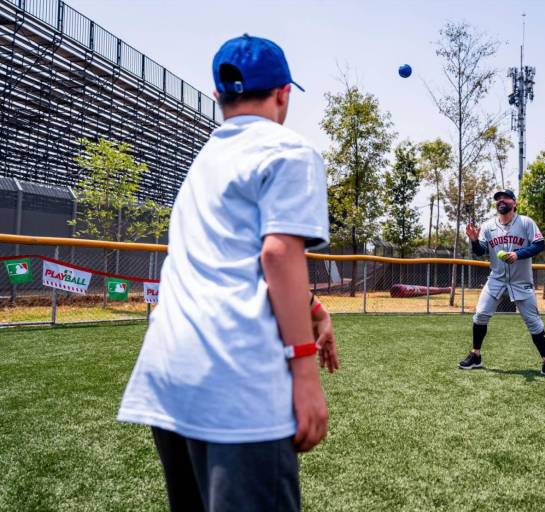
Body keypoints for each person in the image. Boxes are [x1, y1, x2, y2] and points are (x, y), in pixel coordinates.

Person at [118, 34, 336, 511]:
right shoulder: (288, 150)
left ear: (218, 96)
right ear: (284, 93)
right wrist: (304, 370)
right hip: (234, 378)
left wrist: (315, 307)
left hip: (169, 377)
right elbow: (277, 254)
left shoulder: (203, 162)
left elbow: (229, 260)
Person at [458, 189, 545, 379]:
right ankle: (476, 355)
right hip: (496, 279)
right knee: (480, 315)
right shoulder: (489, 226)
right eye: (497, 199)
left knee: (533, 322)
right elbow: (480, 251)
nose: (500, 200)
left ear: (514, 202)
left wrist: (518, 254)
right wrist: (473, 241)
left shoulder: (525, 222)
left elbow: (540, 244)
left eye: (505, 197)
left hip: (521, 281)